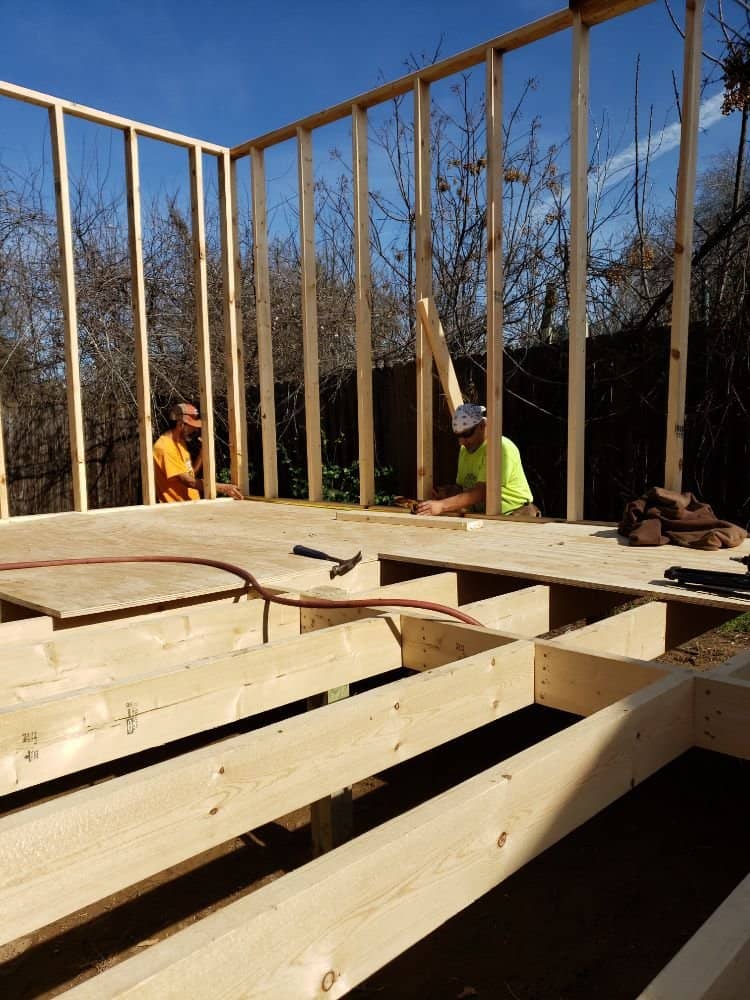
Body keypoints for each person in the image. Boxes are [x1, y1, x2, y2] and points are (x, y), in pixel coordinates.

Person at [416, 402, 538, 517]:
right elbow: (462, 487)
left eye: (466, 434)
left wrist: (442, 506)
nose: (462, 442)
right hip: (489, 515)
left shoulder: (499, 448)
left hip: (516, 514)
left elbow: (482, 492)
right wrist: (445, 492)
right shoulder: (465, 450)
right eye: (458, 435)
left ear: (482, 426)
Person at [153, 402, 243, 502]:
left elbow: (191, 474)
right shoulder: (164, 447)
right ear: (181, 425)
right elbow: (188, 481)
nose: (196, 429)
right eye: (192, 426)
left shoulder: (180, 442)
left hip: (190, 504)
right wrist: (222, 488)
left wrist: (202, 453)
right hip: (177, 509)